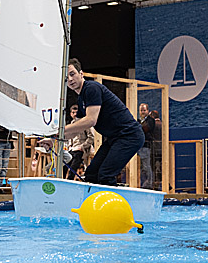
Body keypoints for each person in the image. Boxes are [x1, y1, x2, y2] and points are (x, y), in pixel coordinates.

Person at [51, 58, 144, 187]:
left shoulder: (91, 88)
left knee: (106, 174)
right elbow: (75, 131)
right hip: (114, 138)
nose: (70, 79)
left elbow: (91, 120)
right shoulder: (81, 99)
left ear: (81, 74)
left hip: (129, 136)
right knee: (91, 174)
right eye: (66, 77)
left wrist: (61, 130)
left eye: (72, 74)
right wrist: (53, 139)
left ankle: (113, 205)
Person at [65, 104, 95, 180]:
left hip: (82, 149)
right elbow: (70, 138)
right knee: (64, 162)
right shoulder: (71, 123)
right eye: (73, 112)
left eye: (76, 112)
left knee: (74, 164)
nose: (75, 114)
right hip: (72, 148)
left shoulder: (85, 123)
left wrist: (82, 147)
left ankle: (70, 180)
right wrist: (69, 146)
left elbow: (91, 137)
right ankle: (62, 179)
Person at [138, 103, 156, 189]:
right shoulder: (138, 121)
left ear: (148, 111)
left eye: (144, 110)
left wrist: (139, 127)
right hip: (138, 145)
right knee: (141, 166)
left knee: (146, 166)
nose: (143, 112)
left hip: (146, 145)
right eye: (141, 110)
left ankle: (149, 183)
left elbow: (147, 129)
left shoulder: (151, 120)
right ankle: (142, 183)